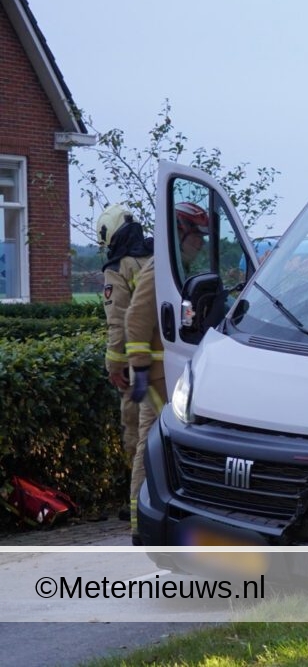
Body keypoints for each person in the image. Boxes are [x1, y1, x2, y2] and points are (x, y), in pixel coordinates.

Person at [123, 201, 209, 542]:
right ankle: (138, 526)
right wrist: (141, 371)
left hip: (171, 376)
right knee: (150, 447)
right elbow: (135, 319)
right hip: (158, 378)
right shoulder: (161, 268)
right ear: (180, 232)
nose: (201, 242)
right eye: (196, 234)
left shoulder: (179, 269)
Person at [96, 204, 153, 521]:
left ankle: (139, 509)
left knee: (136, 437)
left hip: (136, 369)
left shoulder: (117, 268)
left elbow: (117, 325)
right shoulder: (154, 256)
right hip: (166, 360)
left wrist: (113, 367)